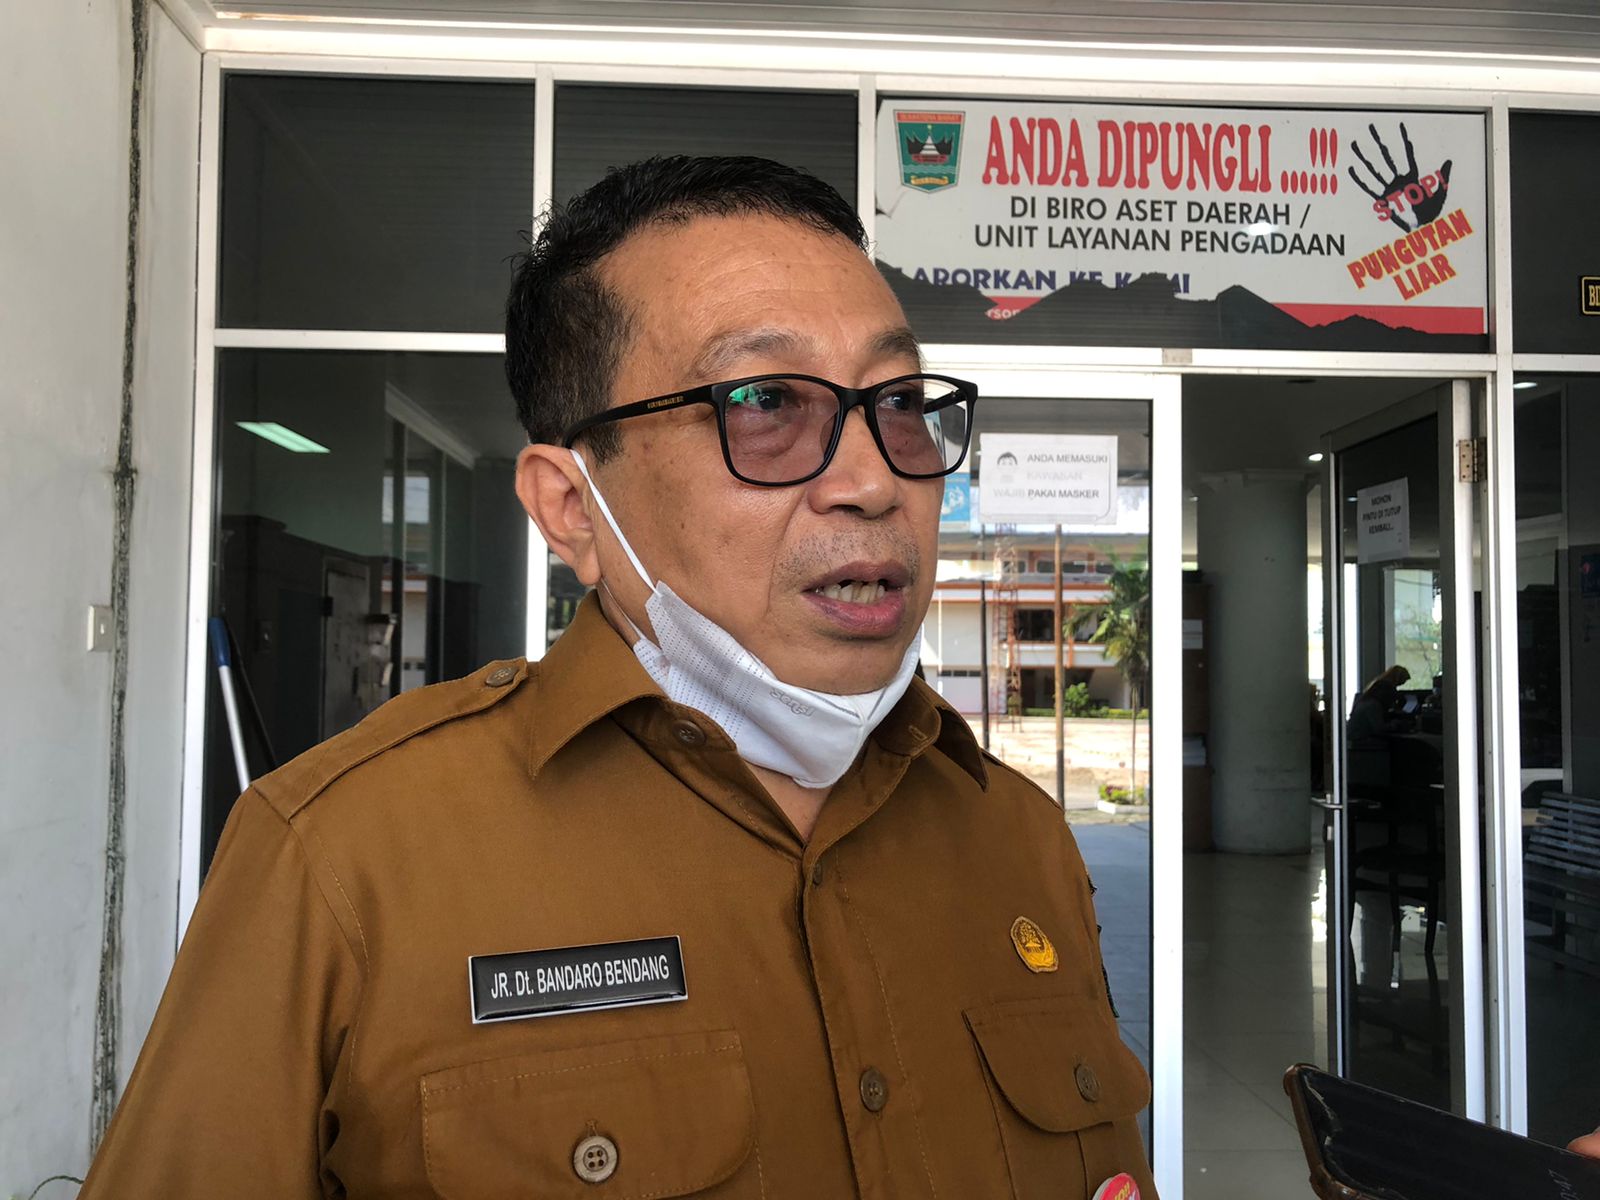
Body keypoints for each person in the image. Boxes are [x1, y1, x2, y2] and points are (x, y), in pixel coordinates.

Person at [79, 155, 1157, 1196]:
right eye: (764, 402)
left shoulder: (1018, 837)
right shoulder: (339, 859)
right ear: (571, 509)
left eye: (901, 400)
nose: (875, 481)